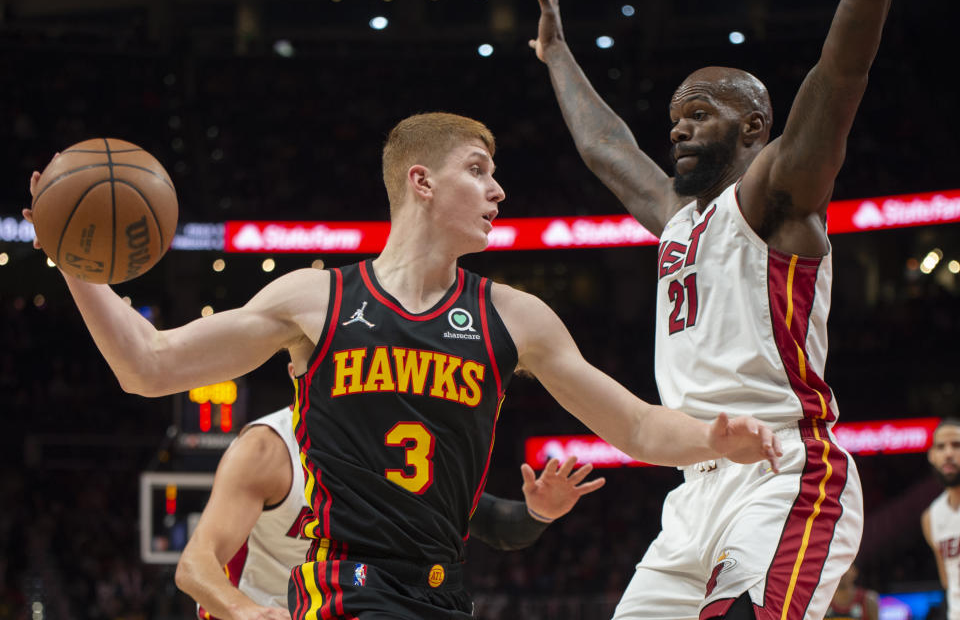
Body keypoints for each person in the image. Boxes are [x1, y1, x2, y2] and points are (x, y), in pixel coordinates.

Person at [24, 111, 781, 618]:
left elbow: (642, 429)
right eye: (478, 170)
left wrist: (717, 439)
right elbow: (149, 366)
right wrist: (70, 259)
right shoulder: (313, 301)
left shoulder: (515, 318)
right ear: (420, 182)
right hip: (343, 590)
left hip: (445, 596)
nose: (498, 189)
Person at [529, 0, 891, 617]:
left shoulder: (774, 196)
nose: (679, 130)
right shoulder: (677, 216)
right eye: (675, 120)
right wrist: (557, 54)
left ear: (753, 125)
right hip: (694, 483)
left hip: (783, 469)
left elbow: (842, 73)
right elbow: (605, 148)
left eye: (699, 114)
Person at [175, 364, 606, 620]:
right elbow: (195, 565)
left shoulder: (398, 444)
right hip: (259, 608)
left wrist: (538, 513)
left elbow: (495, 525)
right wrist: (246, 612)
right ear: (298, 372)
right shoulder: (268, 449)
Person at [921, 418, 960, 620]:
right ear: (932, 456)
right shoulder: (931, 517)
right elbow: (948, 581)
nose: (948, 453)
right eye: (941, 447)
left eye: (956, 445)